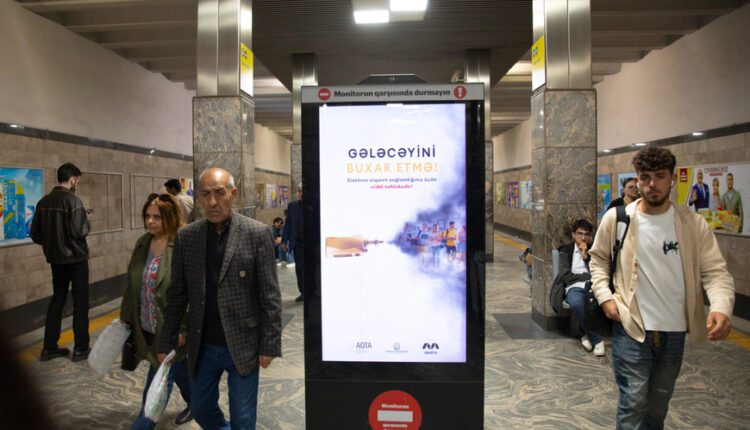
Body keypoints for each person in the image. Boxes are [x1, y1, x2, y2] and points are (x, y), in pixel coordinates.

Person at [590, 147, 735, 430]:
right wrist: (605, 298)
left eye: (660, 176)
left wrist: (721, 307)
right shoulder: (618, 219)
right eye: (645, 177)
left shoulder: (692, 223)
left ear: (672, 179)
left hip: (673, 329)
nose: (652, 184)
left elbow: (715, 272)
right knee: (633, 401)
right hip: (631, 325)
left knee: (658, 404)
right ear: (637, 180)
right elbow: (598, 260)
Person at [157, 168, 282, 430]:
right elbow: (177, 294)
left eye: (219, 193)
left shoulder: (257, 234)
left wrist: (269, 344)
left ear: (233, 194)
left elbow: (270, 295)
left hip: (243, 342)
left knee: (243, 418)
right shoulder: (187, 237)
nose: (212, 202)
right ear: (198, 198)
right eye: (205, 194)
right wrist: (166, 341)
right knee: (201, 409)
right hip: (202, 343)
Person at [120, 193, 193, 428]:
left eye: (157, 217)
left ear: (169, 218)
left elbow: (192, 290)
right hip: (147, 325)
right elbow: (133, 283)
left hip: (170, 329)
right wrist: (126, 319)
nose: (150, 221)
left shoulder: (182, 243)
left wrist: (183, 327)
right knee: (178, 370)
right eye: (147, 216)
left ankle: (144, 423)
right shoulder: (143, 243)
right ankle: (198, 403)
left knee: (156, 388)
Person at [30, 162, 91, 362]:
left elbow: (35, 234)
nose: (76, 184)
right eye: (77, 181)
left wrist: (52, 243)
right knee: (80, 302)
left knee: (58, 299)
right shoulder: (74, 201)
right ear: (72, 180)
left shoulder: (43, 202)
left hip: (56, 261)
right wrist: (87, 219)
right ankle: (81, 348)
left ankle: (49, 348)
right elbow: (80, 231)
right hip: (77, 260)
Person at [558, 219, 604, 356]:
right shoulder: (566, 251)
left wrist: (586, 256)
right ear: (573, 235)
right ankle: (596, 339)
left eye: (586, 234)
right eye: (579, 234)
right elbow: (565, 275)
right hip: (575, 287)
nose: (583, 238)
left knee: (600, 300)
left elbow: (599, 272)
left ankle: (585, 335)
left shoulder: (595, 250)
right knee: (576, 302)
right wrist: (585, 277)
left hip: (594, 285)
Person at [282, 186, 304, 301]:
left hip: (313, 244)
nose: (301, 193)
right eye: (300, 191)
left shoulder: (316, 204)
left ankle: (314, 291)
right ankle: (303, 292)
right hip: (298, 242)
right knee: (299, 268)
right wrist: (284, 240)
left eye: (303, 191)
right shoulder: (292, 206)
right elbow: (288, 224)